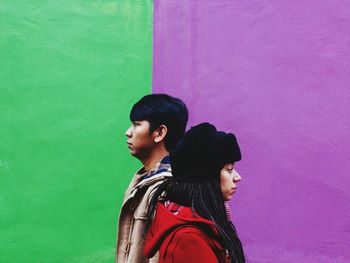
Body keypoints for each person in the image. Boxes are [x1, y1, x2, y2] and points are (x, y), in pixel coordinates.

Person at [143, 123, 245, 263]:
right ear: (206, 178)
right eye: (229, 169)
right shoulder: (188, 239)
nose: (237, 177)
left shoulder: (206, 225)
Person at [116, 94, 188, 263]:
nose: (128, 132)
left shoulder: (169, 189)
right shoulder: (144, 181)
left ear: (160, 132)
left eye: (136, 124)